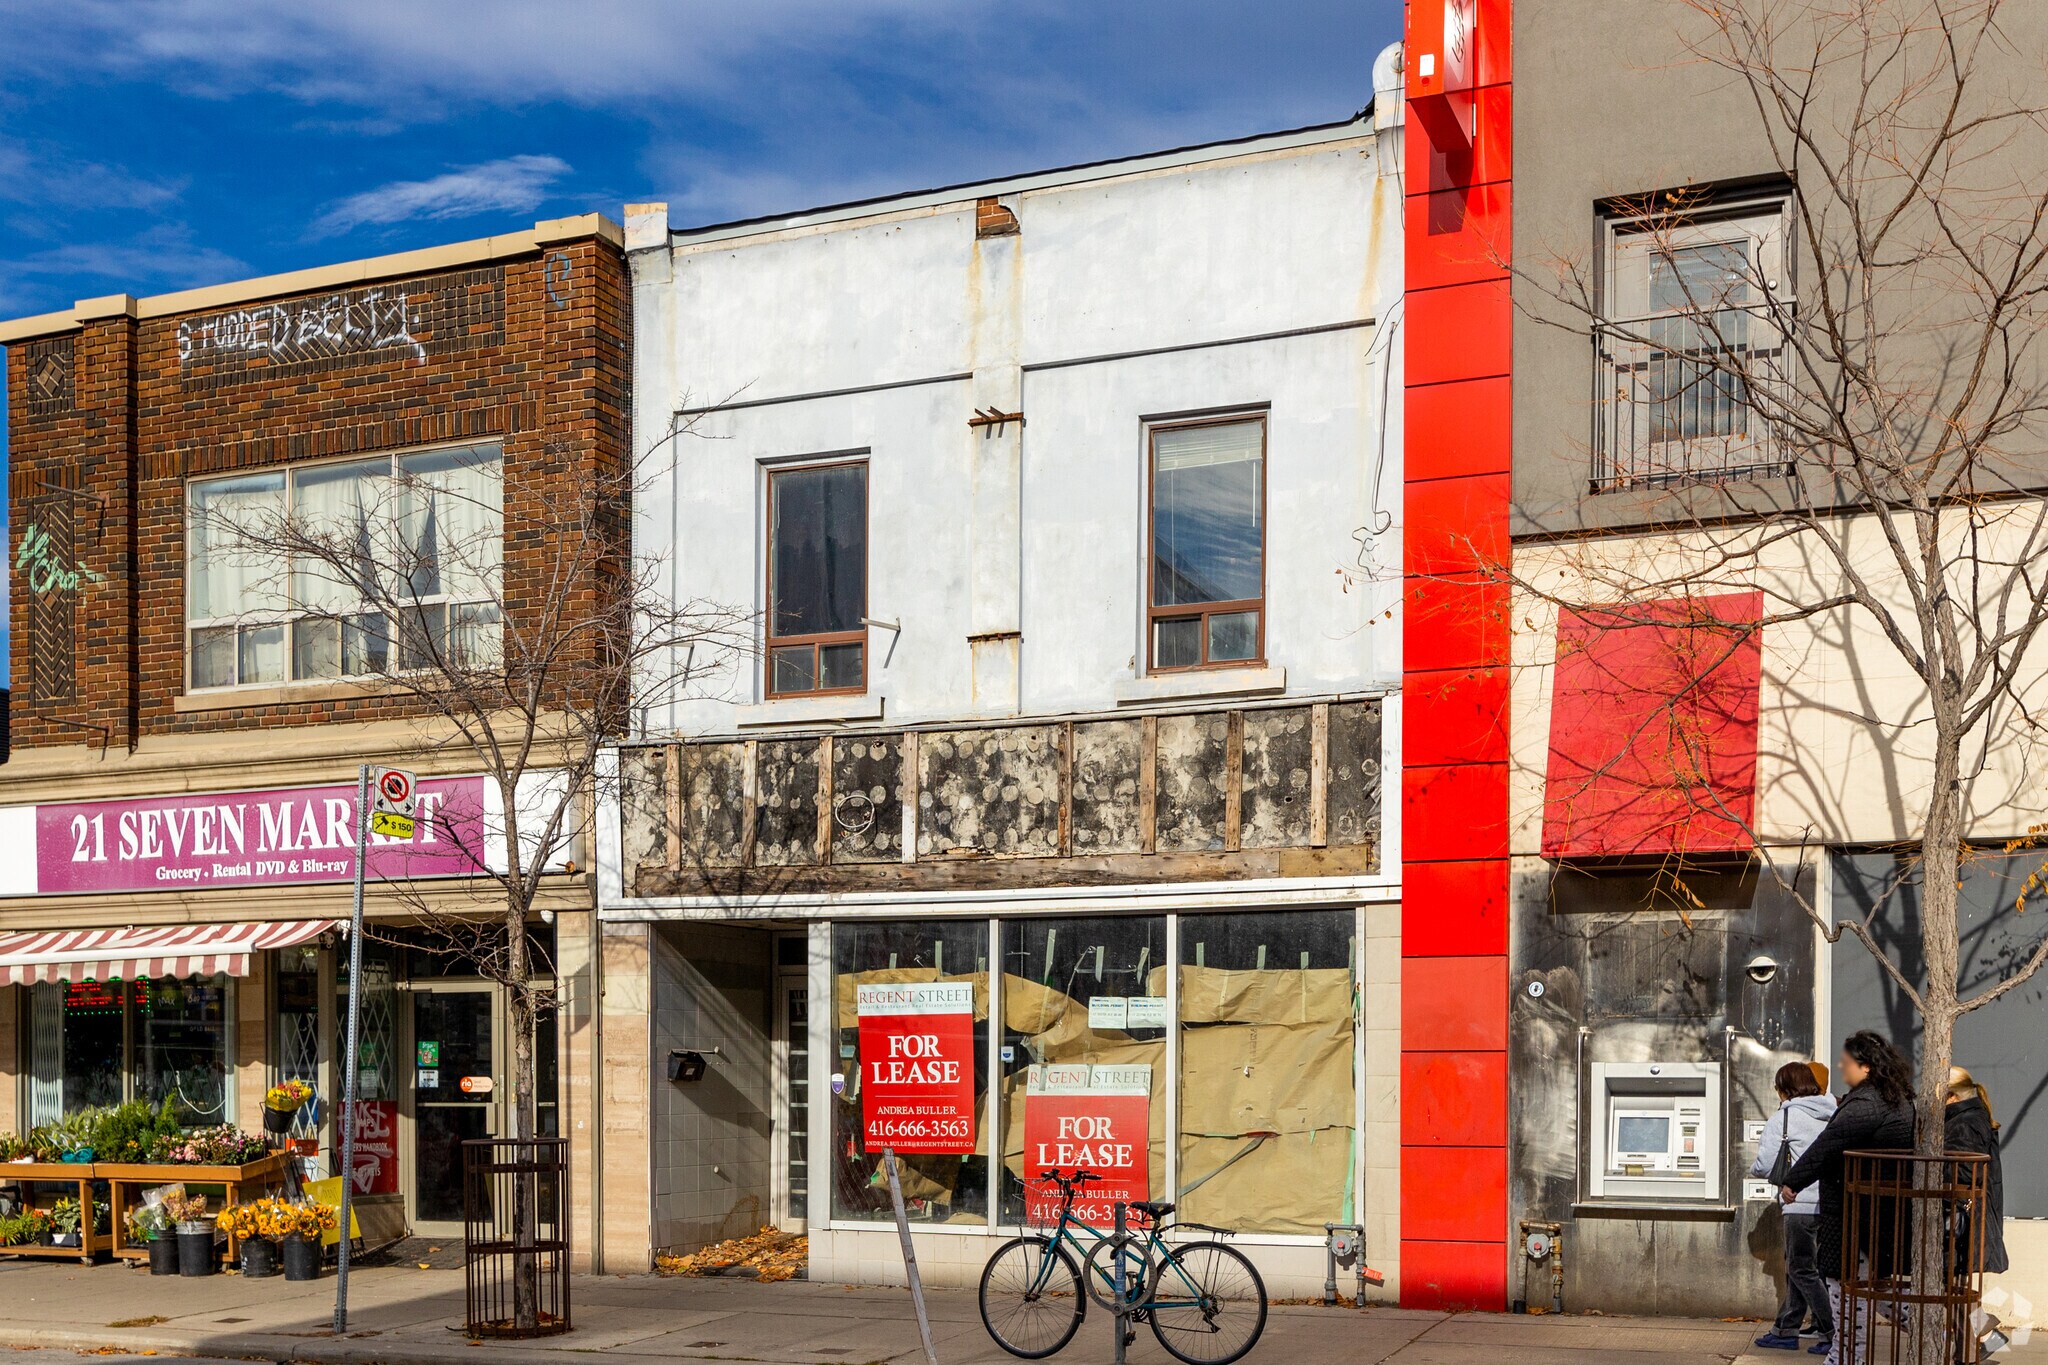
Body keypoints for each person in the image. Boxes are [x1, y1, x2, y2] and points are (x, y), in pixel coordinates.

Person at [1781, 1031, 1916, 1362]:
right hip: (1873, 1213)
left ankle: (1847, 1357)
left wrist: (1793, 1181)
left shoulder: (1867, 1104)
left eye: (1847, 1062)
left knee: (1847, 1288)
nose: (1841, 1066)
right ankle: (1845, 1356)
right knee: (1870, 1290)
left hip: (1857, 1215)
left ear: (1866, 1067)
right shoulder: (1891, 1099)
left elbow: (1828, 1145)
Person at [1753, 1062, 1839, 1350]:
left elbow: (1765, 1165)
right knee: (1810, 1270)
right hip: (1830, 1203)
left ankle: (1831, 1331)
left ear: (1785, 1089)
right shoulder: (1834, 1112)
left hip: (1798, 1203)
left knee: (1801, 1270)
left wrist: (1756, 1170)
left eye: (1779, 1088)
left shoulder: (1784, 1118)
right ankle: (1786, 1329)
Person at [1944, 1066, 2008, 1276]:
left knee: (1956, 1289)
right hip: (1970, 1215)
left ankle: (1972, 1311)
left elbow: (1966, 1172)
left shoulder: (1965, 1123)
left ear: (1952, 1096)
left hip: (1963, 1215)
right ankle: (1971, 1311)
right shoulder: (1972, 1117)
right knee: (1958, 1291)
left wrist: (1930, 1169)